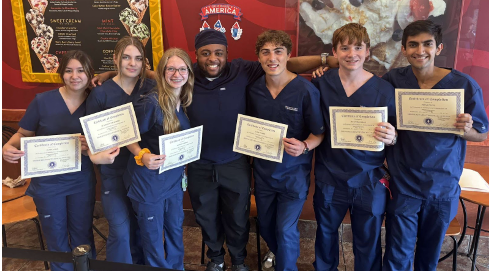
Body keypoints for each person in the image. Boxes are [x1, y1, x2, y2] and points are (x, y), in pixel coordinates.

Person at [92, 29, 335, 271]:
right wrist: (112, 72)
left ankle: (238, 261)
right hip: (199, 163)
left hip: (235, 161)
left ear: (227, 53)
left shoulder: (243, 70)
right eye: (205, 53)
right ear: (196, 56)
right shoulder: (187, 75)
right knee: (205, 216)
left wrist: (328, 60)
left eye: (218, 52)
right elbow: (158, 70)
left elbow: (283, 62)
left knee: (238, 218)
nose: (212, 58)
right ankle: (216, 258)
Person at [381, 20, 488, 271]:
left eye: (427, 44)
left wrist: (467, 129)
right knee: (397, 254)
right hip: (404, 184)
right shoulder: (393, 80)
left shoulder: (463, 85)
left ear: (438, 48)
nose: (420, 50)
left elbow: (481, 135)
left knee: (428, 256)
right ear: (404, 50)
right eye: (413, 45)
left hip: (442, 185)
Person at [311, 23, 396, 271]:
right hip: (330, 175)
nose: (352, 54)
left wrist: (392, 136)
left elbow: (397, 134)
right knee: (325, 236)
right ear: (334, 52)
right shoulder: (321, 83)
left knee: (367, 242)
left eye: (358, 47)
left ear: (368, 51)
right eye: (344, 48)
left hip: (369, 178)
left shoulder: (384, 89)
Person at [2, 50, 97, 271]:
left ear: (89, 73)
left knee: (83, 234)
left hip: (81, 181)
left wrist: (90, 147)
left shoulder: (96, 101)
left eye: (81, 70)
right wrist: (7, 147)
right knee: (55, 237)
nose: (75, 76)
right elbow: (23, 134)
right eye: (69, 70)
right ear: (61, 74)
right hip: (47, 183)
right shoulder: (42, 101)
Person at [247, 30, 325, 271]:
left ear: (288, 55)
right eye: (266, 52)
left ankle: (286, 265)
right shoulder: (254, 90)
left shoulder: (305, 90)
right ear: (258, 57)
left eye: (278, 51)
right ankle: (278, 252)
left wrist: (304, 146)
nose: (272, 58)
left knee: (284, 228)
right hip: (263, 174)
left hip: (293, 176)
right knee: (268, 225)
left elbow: (319, 133)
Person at [123, 48, 194, 269]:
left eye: (182, 69)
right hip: (149, 182)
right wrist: (141, 155)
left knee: (174, 229)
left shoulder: (181, 100)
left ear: (189, 73)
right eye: (170, 68)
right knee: (153, 238)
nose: (176, 74)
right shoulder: (151, 103)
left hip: (173, 180)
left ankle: (176, 267)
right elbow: (126, 135)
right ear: (162, 72)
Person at [85, 36, 151, 264]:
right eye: (126, 57)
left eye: (138, 58)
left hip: (144, 173)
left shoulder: (150, 87)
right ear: (115, 59)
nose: (132, 63)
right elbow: (91, 139)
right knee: (121, 231)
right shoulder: (101, 94)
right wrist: (98, 156)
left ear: (144, 62)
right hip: (113, 174)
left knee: (144, 229)